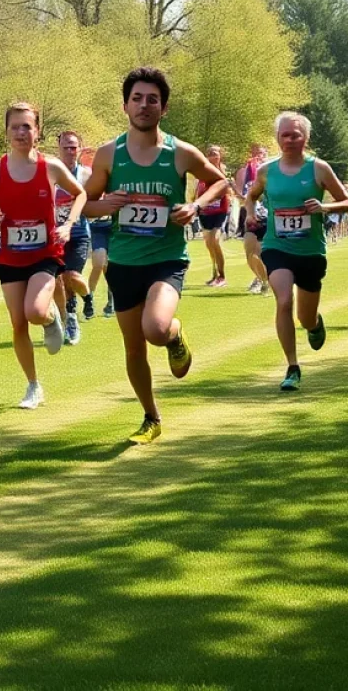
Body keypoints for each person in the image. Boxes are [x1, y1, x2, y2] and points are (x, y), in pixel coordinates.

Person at [84, 67, 227, 444]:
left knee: (156, 329)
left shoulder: (180, 153)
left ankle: (174, 335)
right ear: (125, 106)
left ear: (163, 108)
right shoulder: (108, 155)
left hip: (166, 259)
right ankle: (151, 417)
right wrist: (107, 205)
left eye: (152, 100)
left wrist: (196, 205)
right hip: (124, 262)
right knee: (134, 348)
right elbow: (84, 204)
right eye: (137, 99)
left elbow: (220, 181)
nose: (144, 106)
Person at [0, 104, 85, 409]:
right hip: (11, 256)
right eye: (15, 127)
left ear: (38, 132)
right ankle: (33, 386)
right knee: (18, 325)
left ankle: (49, 319)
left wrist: (69, 224)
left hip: (45, 252)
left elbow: (81, 194)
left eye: (27, 127)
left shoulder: (51, 167)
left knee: (34, 310)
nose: (21, 133)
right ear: (7, 132)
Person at [244, 112, 348, 391]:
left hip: (310, 250)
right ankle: (292, 366)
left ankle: (314, 324)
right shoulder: (267, 171)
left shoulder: (319, 168)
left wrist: (324, 207)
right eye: (284, 135)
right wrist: (249, 214)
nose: (290, 139)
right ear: (277, 138)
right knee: (283, 300)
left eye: (295, 134)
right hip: (277, 246)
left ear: (306, 138)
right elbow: (252, 195)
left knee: (305, 316)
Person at [52, 130, 91, 345]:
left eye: (74, 147)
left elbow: (94, 199)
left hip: (78, 233)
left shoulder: (85, 175)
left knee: (72, 275)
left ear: (79, 149)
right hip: (55, 236)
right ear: (59, 148)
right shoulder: (51, 172)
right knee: (58, 281)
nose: (70, 151)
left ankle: (86, 298)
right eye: (66, 147)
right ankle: (69, 319)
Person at [234, 144, 270, 294]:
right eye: (255, 153)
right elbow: (241, 196)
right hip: (250, 215)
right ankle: (262, 280)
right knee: (250, 254)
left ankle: (264, 282)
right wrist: (238, 192)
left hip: (267, 215)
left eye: (261, 153)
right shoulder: (244, 172)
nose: (258, 156)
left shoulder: (271, 171)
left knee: (260, 252)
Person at [196, 144, 230, 287]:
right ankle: (214, 273)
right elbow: (199, 192)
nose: (213, 156)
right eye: (210, 154)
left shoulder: (223, 172)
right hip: (206, 213)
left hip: (220, 212)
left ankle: (222, 277)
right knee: (209, 244)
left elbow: (227, 192)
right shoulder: (202, 173)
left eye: (216, 153)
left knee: (215, 240)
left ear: (220, 156)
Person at [87, 208, 115, 318]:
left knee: (111, 266)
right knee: (99, 264)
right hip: (96, 227)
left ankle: (111, 301)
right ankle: (89, 299)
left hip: (114, 226)